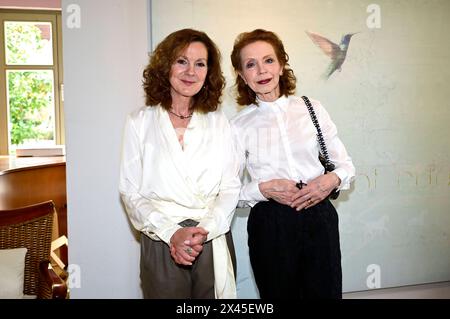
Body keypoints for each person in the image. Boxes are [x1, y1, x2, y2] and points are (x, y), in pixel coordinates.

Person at [230, 29, 355, 299]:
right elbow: (228, 192)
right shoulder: (238, 126)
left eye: (268, 60)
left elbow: (346, 167)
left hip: (319, 217)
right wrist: (263, 189)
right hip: (270, 224)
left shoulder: (312, 108)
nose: (262, 70)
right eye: (251, 64)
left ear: (282, 64)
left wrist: (329, 180)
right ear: (242, 75)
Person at [119, 28, 240, 299]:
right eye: (181, 61)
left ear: (209, 72)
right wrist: (171, 233)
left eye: (200, 64)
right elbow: (129, 191)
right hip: (162, 238)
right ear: (165, 66)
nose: (190, 72)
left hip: (210, 236)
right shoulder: (139, 122)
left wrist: (205, 230)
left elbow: (231, 187)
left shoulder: (219, 122)